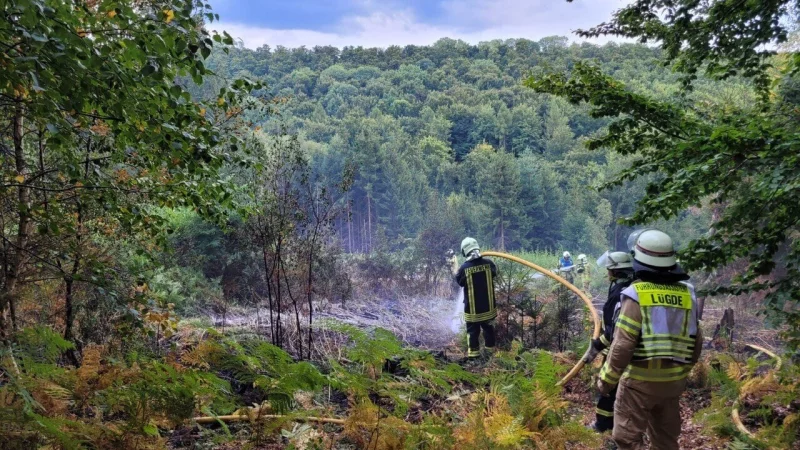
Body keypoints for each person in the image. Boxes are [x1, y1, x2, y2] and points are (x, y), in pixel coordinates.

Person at [596, 230, 703, 450]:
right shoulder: (687, 294)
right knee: (665, 440)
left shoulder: (636, 295)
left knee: (627, 439)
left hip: (638, 384)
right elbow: (696, 340)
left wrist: (606, 380)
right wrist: (681, 373)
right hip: (672, 385)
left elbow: (622, 345)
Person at [581, 251, 635, 433]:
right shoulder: (630, 288)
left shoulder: (620, 292)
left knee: (607, 388)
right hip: (625, 350)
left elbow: (614, 330)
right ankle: (614, 425)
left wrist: (597, 346)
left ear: (616, 272)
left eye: (609, 269)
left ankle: (603, 425)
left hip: (617, 350)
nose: (607, 273)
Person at [454, 237, 497, 359]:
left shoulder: (464, 268)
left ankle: (474, 357)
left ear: (464, 252)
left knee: (472, 333)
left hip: (473, 311)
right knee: (489, 330)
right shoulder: (489, 264)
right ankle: (490, 355)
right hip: (489, 308)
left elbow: (460, 282)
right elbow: (495, 272)